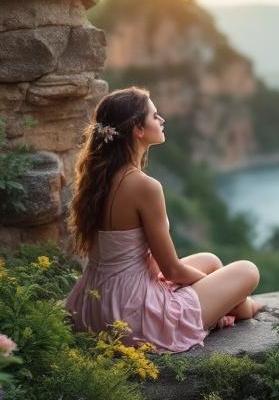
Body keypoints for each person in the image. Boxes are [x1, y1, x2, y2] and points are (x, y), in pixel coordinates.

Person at [64, 86, 263, 352]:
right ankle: (245, 307)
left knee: (211, 261)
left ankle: (226, 308)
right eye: (155, 116)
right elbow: (172, 271)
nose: (161, 120)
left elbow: (156, 269)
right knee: (248, 270)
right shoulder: (145, 187)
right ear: (138, 128)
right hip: (132, 316)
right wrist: (228, 297)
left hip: (94, 305)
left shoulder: (96, 180)